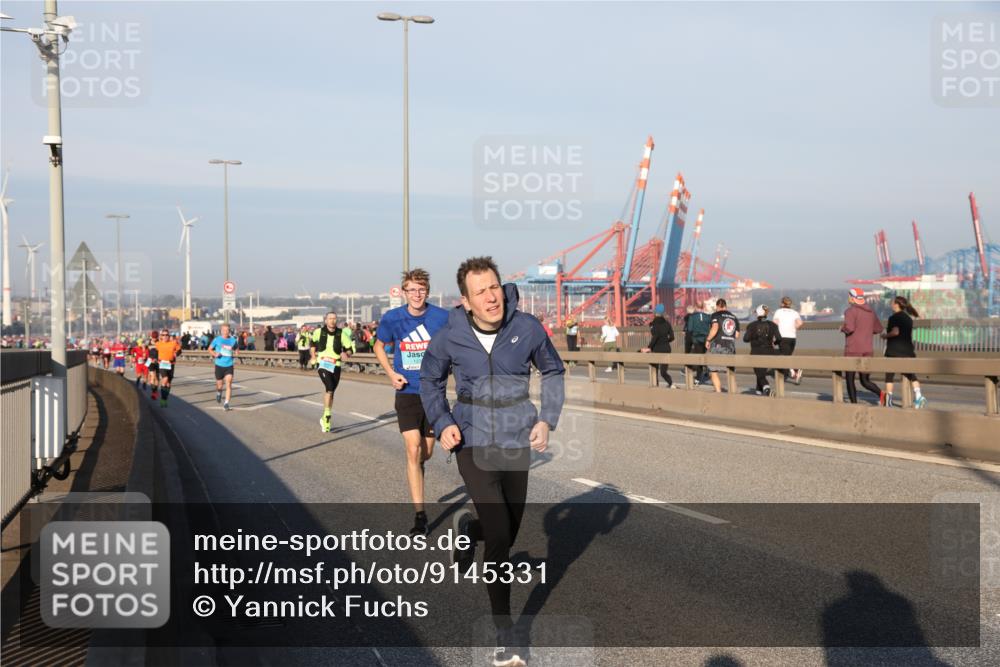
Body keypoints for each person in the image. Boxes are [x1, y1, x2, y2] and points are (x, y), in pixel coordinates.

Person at [420, 256, 564, 667]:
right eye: (480, 291)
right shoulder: (449, 336)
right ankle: (506, 636)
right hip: (472, 441)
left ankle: (470, 528)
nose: (491, 296)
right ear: (466, 300)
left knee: (508, 529)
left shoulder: (527, 328)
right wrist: (442, 421)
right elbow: (429, 380)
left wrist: (547, 420)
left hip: (516, 440)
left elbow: (553, 371)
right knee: (500, 537)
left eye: (495, 287)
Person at [374, 268, 450, 537]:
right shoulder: (393, 318)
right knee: (413, 449)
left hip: (434, 393)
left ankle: (419, 467)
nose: (416, 294)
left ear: (427, 291)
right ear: (403, 292)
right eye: (411, 290)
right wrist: (391, 374)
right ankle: (420, 516)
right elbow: (379, 346)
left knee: (426, 454)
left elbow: (458, 340)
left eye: (421, 289)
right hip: (406, 393)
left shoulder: (442, 317)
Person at [309, 312, 355, 432]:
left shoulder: (342, 334)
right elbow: (312, 344)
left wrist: (346, 354)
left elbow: (350, 349)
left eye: (334, 319)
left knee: (331, 391)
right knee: (329, 387)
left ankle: (324, 417)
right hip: (323, 363)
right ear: (325, 320)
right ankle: (327, 415)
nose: (332, 321)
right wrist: (313, 356)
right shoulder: (318, 332)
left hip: (336, 365)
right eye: (330, 318)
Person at [880, 296, 926, 409]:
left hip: (894, 350)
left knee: (889, 376)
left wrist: (885, 336)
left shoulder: (893, 317)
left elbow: (895, 332)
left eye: (892, 302)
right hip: (908, 350)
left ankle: (888, 401)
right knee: (910, 374)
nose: (891, 304)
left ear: (896, 304)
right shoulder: (908, 318)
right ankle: (919, 396)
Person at [840, 288, 884, 404]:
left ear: (852, 297)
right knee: (865, 380)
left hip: (853, 350)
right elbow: (879, 329)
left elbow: (849, 328)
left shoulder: (850, 311)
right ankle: (882, 395)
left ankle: (854, 405)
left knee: (850, 380)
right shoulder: (870, 311)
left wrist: (842, 328)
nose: (848, 298)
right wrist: (866, 331)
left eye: (849, 296)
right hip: (867, 350)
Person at [705, 298, 741, 393]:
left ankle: (718, 392)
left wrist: (708, 340)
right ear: (725, 306)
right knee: (730, 372)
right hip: (730, 347)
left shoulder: (715, 315)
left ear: (717, 306)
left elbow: (715, 328)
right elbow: (737, 335)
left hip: (717, 345)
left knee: (713, 370)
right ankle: (733, 393)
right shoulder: (734, 317)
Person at [745, 305, 781, 395]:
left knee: (760, 374)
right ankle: (759, 391)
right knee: (761, 373)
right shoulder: (773, 325)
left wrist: (753, 336)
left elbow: (745, 339)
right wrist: (775, 343)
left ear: (757, 314)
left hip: (756, 352)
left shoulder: (752, 325)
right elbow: (779, 338)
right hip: (769, 352)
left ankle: (767, 388)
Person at [641, 303, 675, 388]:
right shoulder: (667, 323)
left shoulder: (653, 324)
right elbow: (672, 337)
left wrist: (649, 347)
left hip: (656, 349)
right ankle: (671, 384)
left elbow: (655, 337)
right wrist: (665, 341)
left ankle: (655, 385)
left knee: (654, 368)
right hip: (666, 349)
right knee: (663, 371)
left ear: (655, 312)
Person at [772, 296, 804, 384]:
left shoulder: (778, 312)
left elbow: (774, 324)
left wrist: (773, 337)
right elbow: (800, 323)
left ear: (782, 303)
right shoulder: (794, 312)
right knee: (788, 356)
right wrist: (794, 328)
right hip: (792, 338)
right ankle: (793, 371)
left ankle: (795, 372)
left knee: (784, 357)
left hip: (783, 337)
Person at [208, 323, 238, 411]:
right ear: (221, 331)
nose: (226, 332)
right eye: (224, 330)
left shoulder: (233, 340)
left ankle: (226, 403)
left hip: (229, 365)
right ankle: (218, 393)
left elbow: (236, 349)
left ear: (229, 331)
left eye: (227, 330)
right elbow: (209, 349)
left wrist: (236, 354)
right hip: (219, 365)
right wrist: (215, 354)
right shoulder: (217, 339)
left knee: (229, 383)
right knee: (220, 385)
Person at [154, 328, 182, 407]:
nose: (165, 336)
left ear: (169, 336)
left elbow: (179, 350)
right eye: (163, 335)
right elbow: (155, 352)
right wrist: (156, 359)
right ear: (161, 336)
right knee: (165, 379)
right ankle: (163, 399)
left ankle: (165, 398)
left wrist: (177, 354)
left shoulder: (173, 343)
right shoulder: (158, 344)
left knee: (169, 383)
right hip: (162, 364)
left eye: (166, 335)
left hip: (171, 364)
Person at [687, 303, 711, 384]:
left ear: (696, 307)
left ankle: (698, 378)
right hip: (706, 339)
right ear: (703, 307)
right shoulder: (708, 317)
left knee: (698, 358)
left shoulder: (692, 317)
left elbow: (690, 329)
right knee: (704, 356)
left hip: (697, 340)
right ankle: (706, 373)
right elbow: (710, 327)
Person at [147, 330, 161, 400]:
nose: (154, 338)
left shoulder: (160, 342)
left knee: (157, 378)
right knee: (153, 376)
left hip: (158, 362)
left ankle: (155, 391)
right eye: (153, 337)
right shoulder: (148, 342)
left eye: (155, 337)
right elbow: (147, 351)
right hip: (151, 362)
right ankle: (153, 392)